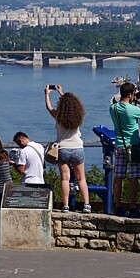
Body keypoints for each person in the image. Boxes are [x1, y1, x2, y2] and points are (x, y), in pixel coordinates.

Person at [45, 84, 91, 213]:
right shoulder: (78, 117)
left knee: (65, 178)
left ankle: (65, 205)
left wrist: (47, 94)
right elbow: (70, 103)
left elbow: (49, 108)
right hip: (77, 148)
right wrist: (62, 93)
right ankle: (86, 204)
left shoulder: (58, 117)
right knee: (81, 178)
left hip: (63, 149)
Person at [109, 82, 140, 218]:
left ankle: (117, 205)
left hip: (119, 145)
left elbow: (121, 105)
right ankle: (133, 206)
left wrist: (133, 99)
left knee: (118, 176)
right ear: (130, 94)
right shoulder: (132, 110)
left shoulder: (113, 108)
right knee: (133, 177)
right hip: (133, 146)